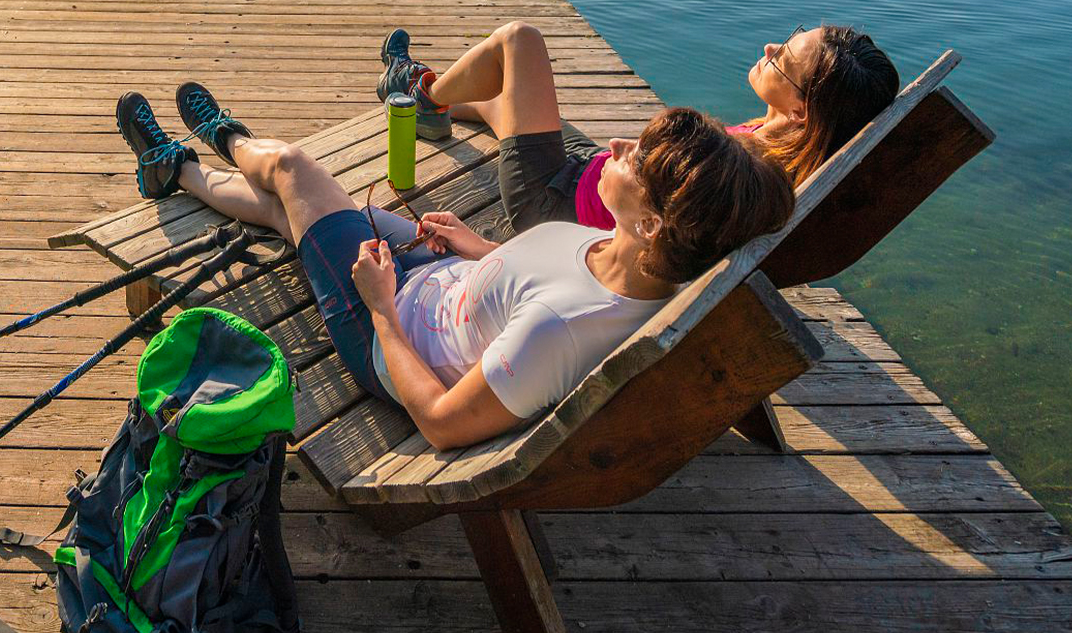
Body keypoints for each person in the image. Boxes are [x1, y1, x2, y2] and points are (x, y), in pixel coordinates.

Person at [112, 84, 793, 451]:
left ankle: (222, 142)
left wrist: (379, 305)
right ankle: (181, 169)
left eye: (633, 158)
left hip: (392, 333)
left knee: (293, 171)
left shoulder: (558, 330)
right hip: (439, 280)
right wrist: (483, 252)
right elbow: (544, 283)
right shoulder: (639, 264)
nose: (614, 143)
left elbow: (439, 420)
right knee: (294, 208)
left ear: (653, 223)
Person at [376, 21, 898, 234]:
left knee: (520, 41)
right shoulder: (781, 144)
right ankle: (434, 109)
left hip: (554, 202)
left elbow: (647, 242)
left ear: (805, 110)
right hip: (586, 178)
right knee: (505, 104)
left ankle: (422, 91)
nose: (769, 49)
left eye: (783, 58)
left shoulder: (745, 170)